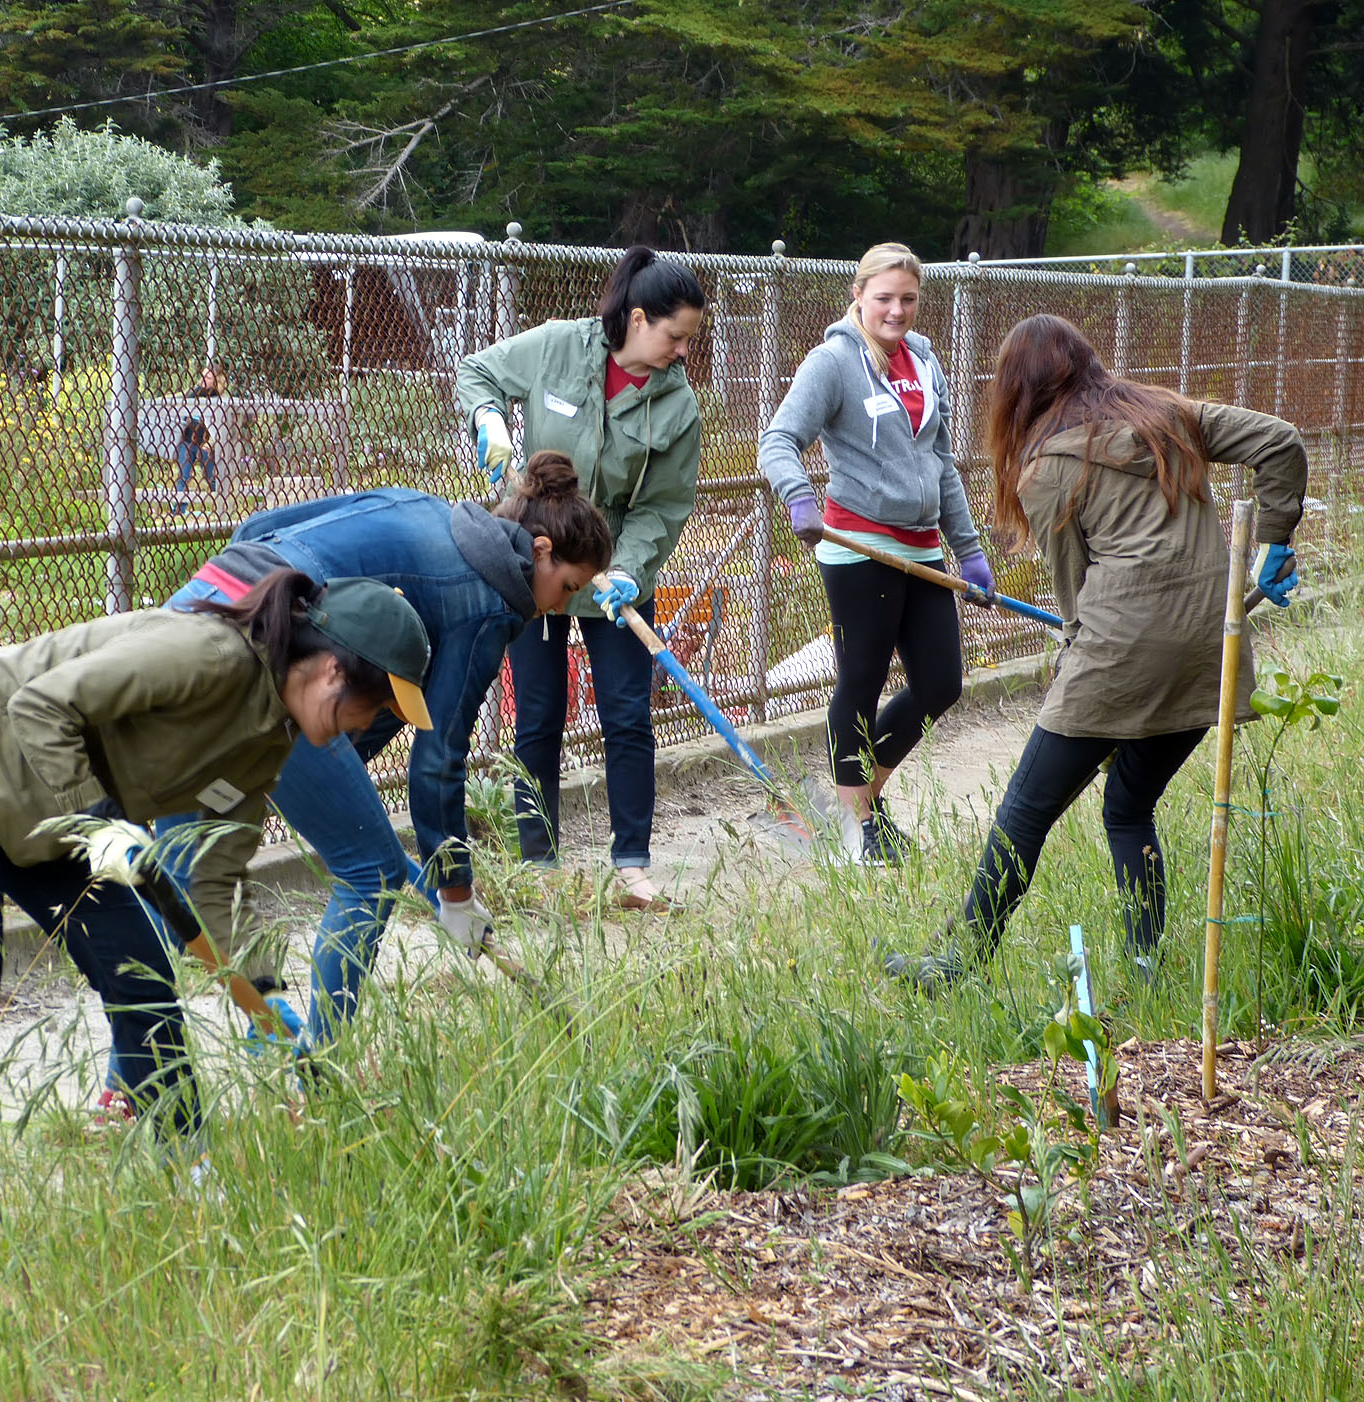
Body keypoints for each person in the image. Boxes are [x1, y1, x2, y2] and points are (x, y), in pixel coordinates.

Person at [0, 573, 432, 1244]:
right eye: (375, 705)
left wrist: (261, 992)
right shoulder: (205, 655)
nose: (369, 725)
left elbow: (212, 878)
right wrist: (103, 823)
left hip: (59, 811)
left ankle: (192, 1178)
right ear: (333, 670)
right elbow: (40, 706)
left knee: (144, 979)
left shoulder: (267, 742)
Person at [131, 452, 612, 1067]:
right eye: (567, 587)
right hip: (269, 656)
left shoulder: (422, 507)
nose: (561, 607)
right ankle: (320, 1069)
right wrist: (457, 892)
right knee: (372, 874)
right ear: (540, 551)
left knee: (183, 870)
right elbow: (438, 760)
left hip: (202, 610)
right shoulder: (490, 602)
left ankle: (138, 1080)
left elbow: (259, 528)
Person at [879, 313, 1305, 993]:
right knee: (1129, 807)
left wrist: (1075, 676)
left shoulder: (1046, 469)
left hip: (1118, 652)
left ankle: (956, 966)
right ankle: (1144, 971)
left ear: (1016, 392)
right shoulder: (1169, 416)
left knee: (1023, 812)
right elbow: (1280, 440)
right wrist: (1276, 539)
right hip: (1207, 648)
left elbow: (1076, 601)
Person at [456, 247, 707, 909]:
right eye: (675, 335)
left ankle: (632, 868)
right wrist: (488, 417)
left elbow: (664, 506)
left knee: (628, 716)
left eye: (689, 339)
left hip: (616, 571)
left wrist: (628, 569)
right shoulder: (558, 347)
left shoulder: (677, 404)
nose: (683, 351)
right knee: (538, 716)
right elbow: (478, 371)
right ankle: (538, 865)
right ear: (637, 318)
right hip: (537, 562)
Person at [757, 241, 995, 866]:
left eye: (908, 299)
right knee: (861, 680)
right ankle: (860, 825)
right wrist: (798, 496)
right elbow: (778, 439)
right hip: (858, 545)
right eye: (884, 297)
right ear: (858, 296)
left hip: (921, 547)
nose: (896, 310)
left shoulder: (925, 361)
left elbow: (941, 462)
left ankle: (859, 806)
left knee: (940, 684)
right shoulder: (833, 362)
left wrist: (969, 551)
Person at [174, 364, 224, 507]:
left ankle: (221, 506)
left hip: (205, 443)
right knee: (183, 477)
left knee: (212, 478)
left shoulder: (216, 398)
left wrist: (211, 442)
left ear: (215, 381)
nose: (203, 379)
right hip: (188, 440)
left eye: (208, 377)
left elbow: (219, 426)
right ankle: (179, 510)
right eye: (203, 375)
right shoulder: (193, 393)